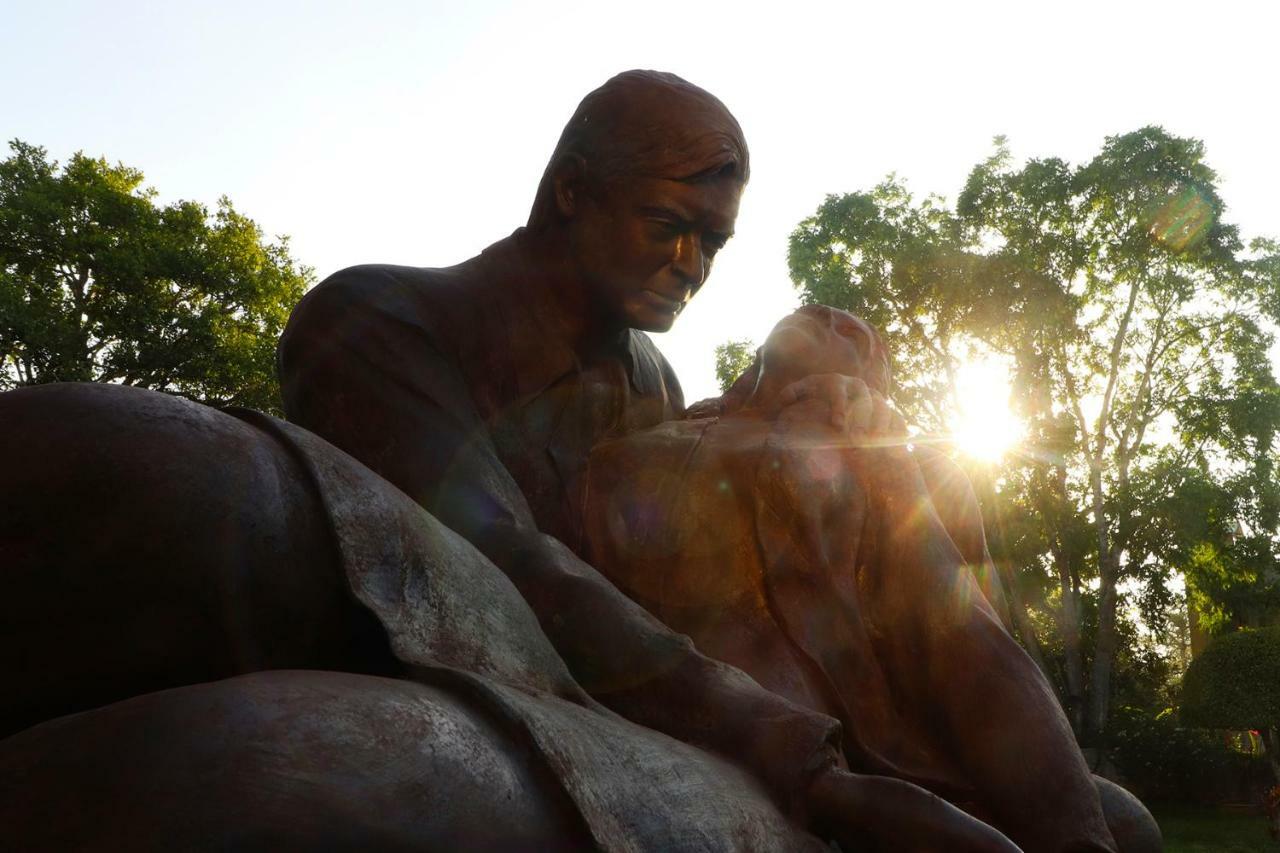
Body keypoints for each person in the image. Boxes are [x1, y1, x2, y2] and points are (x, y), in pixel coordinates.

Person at [278, 70, 1133, 851]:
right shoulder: (377, 322)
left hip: (703, 707)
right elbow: (503, 564)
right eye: (667, 226)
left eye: (713, 244)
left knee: (1116, 822)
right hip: (512, 704)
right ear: (570, 189)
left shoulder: (656, 382)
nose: (690, 267)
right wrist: (810, 768)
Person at [584, 304, 1160, 850]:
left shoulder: (925, 471)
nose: (833, 320)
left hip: (902, 738)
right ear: (748, 371)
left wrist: (891, 471)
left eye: (857, 338)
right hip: (753, 730)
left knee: (1125, 823)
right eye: (814, 316)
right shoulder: (657, 448)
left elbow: (972, 636)